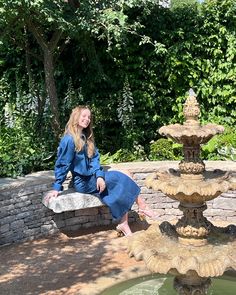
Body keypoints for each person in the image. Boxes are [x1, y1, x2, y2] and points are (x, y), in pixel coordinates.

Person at [45, 106, 155, 237]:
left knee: (126, 174)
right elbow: (63, 164)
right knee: (121, 177)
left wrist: (99, 176)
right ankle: (141, 206)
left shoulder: (86, 137)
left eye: (89, 117)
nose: (87, 119)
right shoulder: (69, 140)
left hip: (93, 178)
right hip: (83, 182)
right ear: (76, 117)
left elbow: (95, 160)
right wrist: (57, 187)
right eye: (84, 116)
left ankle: (124, 223)